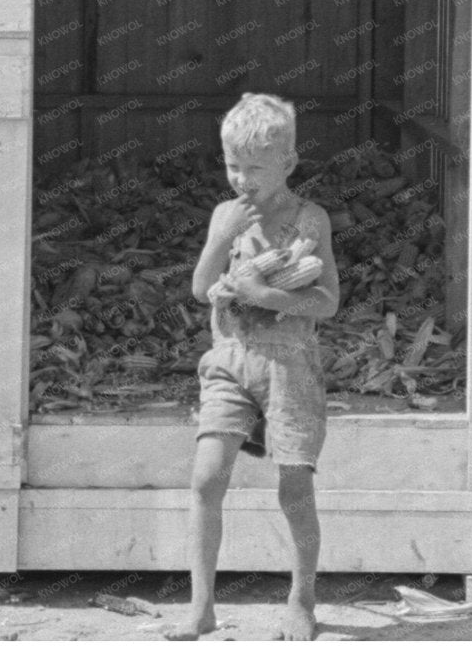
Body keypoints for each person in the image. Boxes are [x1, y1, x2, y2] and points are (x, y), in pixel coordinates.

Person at [167, 94, 341, 642]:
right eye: (232, 166)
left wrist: (265, 293)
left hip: (290, 366)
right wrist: (221, 240)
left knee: (293, 490)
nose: (241, 179)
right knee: (205, 477)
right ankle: (201, 607)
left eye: (255, 168)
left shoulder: (310, 220)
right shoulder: (225, 216)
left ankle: (302, 600)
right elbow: (200, 289)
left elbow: (328, 301)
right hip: (229, 360)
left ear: (287, 163)